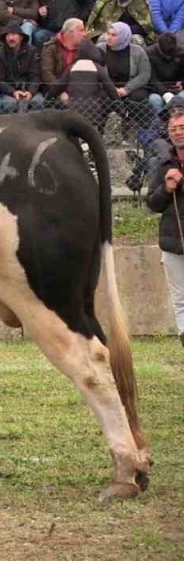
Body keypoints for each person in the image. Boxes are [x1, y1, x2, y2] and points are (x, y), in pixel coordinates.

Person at [146, 107, 184, 347]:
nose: (178, 133)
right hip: (173, 243)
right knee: (180, 299)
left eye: (182, 128)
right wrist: (166, 188)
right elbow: (153, 204)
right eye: (174, 129)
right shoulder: (162, 165)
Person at [98, 21, 159, 130]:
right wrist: (111, 88)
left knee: (138, 97)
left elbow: (144, 74)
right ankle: (103, 130)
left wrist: (127, 89)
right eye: (108, 34)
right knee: (102, 97)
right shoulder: (100, 49)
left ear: (123, 36)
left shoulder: (138, 51)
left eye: (113, 35)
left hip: (131, 87)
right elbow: (97, 71)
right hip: (107, 86)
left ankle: (138, 130)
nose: (109, 38)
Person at [0, 23, 45, 111]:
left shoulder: (32, 51)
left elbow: (36, 75)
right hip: (8, 91)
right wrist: (13, 92)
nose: (11, 38)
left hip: (29, 89)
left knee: (38, 102)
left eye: (14, 35)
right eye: (8, 35)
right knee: (9, 104)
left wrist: (30, 91)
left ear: (21, 37)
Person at [88, 0, 154, 43]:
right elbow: (96, 21)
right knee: (103, 39)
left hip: (131, 33)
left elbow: (145, 26)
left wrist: (124, 31)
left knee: (137, 41)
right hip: (107, 31)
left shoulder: (140, 2)